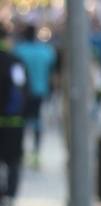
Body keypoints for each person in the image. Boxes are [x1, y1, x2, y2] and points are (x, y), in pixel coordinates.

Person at [13, 25, 56, 168]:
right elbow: (52, 69)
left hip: (23, 93)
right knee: (37, 121)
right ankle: (36, 152)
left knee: (23, 122)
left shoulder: (19, 50)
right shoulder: (45, 52)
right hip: (40, 91)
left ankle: (22, 150)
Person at [0, 28, 24, 206]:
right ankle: (10, 197)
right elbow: (23, 89)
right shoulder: (15, 61)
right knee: (13, 163)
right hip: (13, 122)